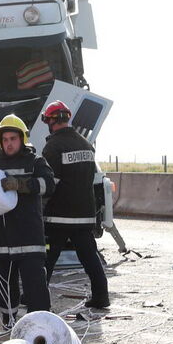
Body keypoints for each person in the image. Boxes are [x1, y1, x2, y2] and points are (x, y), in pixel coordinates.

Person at [0, 114, 55, 328]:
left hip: (29, 238)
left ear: (22, 139)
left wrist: (21, 185)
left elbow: (48, 185)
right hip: (0, 240)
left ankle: (41, 328)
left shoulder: (35, 162)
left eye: (13, 139)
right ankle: (8, 324)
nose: (9, 143)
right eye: (5, 140)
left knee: (35, 288)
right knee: (3, 287)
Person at [41, 100, 110, 309]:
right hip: (85, 215)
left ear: (51, 121)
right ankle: (101, 297)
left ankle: (35, 296)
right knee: (90, 258)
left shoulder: (53, 146)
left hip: (58, 216)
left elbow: (50, 185)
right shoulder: (86, 145)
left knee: (46, 258)